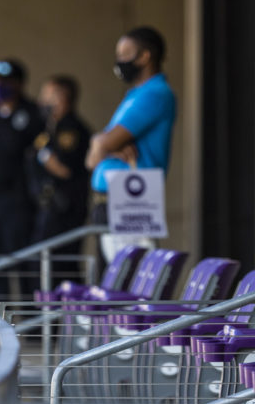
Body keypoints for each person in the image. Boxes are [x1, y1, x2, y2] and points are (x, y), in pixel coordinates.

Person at [86, 26, 176, 260]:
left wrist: (102, 143)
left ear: (144, 56)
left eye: (124, 54)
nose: (119, 61)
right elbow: (93, 157)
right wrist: (101, 144)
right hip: (110, 196)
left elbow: (104, 144)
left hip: (131, 196)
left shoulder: (155, 93)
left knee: (127, 282)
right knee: (110, 282)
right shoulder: (134, 94)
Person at [0, 58, 45, 298]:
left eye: (6, 81)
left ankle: (30, 326)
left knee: (23, 262)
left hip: (19, 200)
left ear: (19, 84)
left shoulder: (32, 114)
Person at [28, 75, 92, 277]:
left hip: (66, 208)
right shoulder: (49, 128)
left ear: (62, 98)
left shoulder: (71, 129)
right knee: (42, 264)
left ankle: (63, 309)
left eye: (47, 96)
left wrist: (44, 156)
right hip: (50, 207)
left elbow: (64, 169)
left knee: (61, 267)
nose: (42, 101)